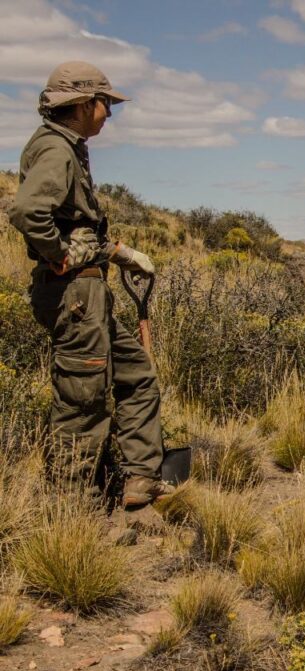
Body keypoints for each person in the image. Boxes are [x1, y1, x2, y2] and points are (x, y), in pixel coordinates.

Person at [8, 61, 171, 507]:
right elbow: (27, 213)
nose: (108, 114)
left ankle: (140, 479)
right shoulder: (56, 150)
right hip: (74, 295)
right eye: (105, 104)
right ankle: (74, 509)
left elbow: (74, 223)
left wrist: (119, 254)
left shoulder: (66, 146)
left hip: (86, 293)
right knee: (84, 398)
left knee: (137, 377)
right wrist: (58, 255)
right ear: (82, 104)